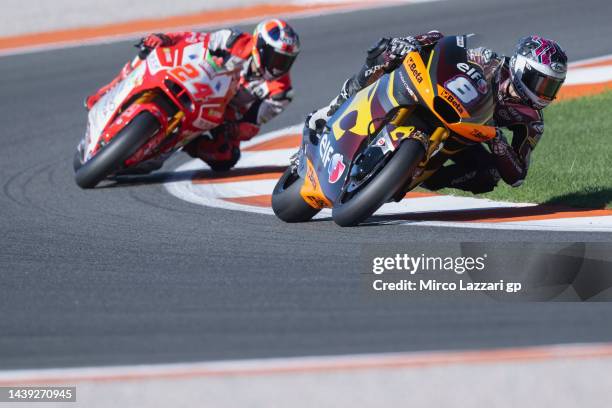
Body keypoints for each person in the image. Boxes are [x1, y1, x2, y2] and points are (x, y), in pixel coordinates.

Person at [306, 32, 568, 194]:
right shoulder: (490, 60)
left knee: (489, 176)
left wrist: (499, 143)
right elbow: (446, 44)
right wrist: (414, 43)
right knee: (385, 51)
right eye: (540, 81)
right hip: (436, 98)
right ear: (522, 67)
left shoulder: (531, 121)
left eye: (551, 86)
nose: (544, 91)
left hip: (464, 135)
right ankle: (334, 106)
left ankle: (413, 178)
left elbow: (518, 176)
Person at [85, 19, 300, 172]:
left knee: (226, 156)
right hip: (199, 81)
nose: (279, 66)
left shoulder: (281, 92)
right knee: (149, 51)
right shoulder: (233, 40)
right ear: (260, 47)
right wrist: (164, 38)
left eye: (285, 61)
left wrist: (233, 129)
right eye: (276, 57)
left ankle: (185, 144)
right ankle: (109, 89)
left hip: (222, 115)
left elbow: (253, 124)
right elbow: (194, 39)